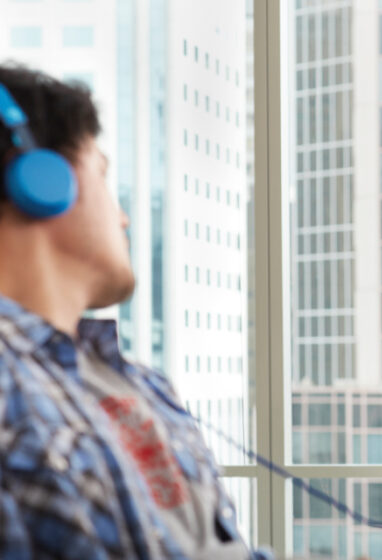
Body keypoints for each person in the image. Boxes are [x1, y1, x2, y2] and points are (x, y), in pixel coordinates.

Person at [0, 64, 268, 558]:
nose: (122, 217)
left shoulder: (144, 385)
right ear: (42, 183)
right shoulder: (9, 386)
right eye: (103, 176)